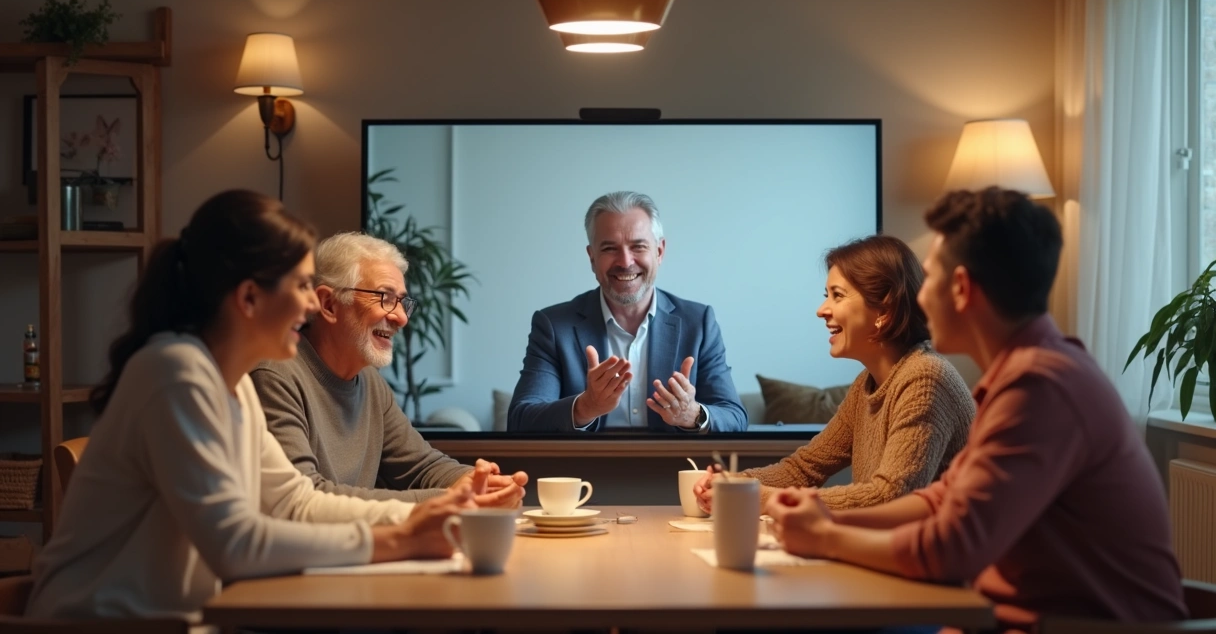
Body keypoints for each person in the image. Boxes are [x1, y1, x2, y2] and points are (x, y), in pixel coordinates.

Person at [26, 191, 472, 623]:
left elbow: (295, 501)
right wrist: (399, 540)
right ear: (249, 298)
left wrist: (424, 515)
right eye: (300, 286)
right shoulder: (175, 372)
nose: (310, 302)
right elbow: (234, 544)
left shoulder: (230, 383)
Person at [765, 188, 1186, 631]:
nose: (919, 298)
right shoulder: (1023, 374)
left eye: (929, 280)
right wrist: (823, 515)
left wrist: (826, 538)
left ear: (962, 288)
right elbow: (942, 500)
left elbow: (952, 548)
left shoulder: (1039, 386)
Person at [694, 235, 974, 512]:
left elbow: (891, 497)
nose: (821, 310)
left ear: (884, 310)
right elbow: (805, 468)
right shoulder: (867, 384)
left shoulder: (925, 378)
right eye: (826, 296)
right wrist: (733, 483)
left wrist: (766, 498)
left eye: (837, 296)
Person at [252, 231, 527, 505]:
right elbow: (304, 498)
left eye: (402, 301)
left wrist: (479, 482)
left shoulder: (370, 381)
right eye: (384, 297)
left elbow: (422, 465)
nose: (401, 318)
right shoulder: (275, 376)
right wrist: (449, 499)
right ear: (328, 304)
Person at [507, 191, 747, 433]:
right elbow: (521, 420)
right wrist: (585, 407)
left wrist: (693, 414)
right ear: (592, 258)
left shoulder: (698, 323)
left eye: (638, 246)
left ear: (659, 252)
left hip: (677, 467)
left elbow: (734, 418)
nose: (625, 261)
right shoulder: (553, 326)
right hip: (582, 467)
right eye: (610, 249)